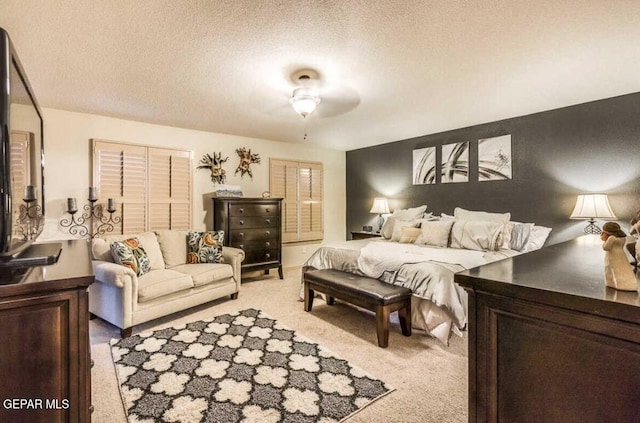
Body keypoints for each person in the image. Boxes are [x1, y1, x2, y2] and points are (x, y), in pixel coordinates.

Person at [601, 222, 637, 291]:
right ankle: (614, 283)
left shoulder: (611, 238)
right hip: (621, 255)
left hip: (612, 256)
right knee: (622, 269)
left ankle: (616, 283)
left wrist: (604, 241)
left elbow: (605, 247)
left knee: (611, 269)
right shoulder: (622, 238)